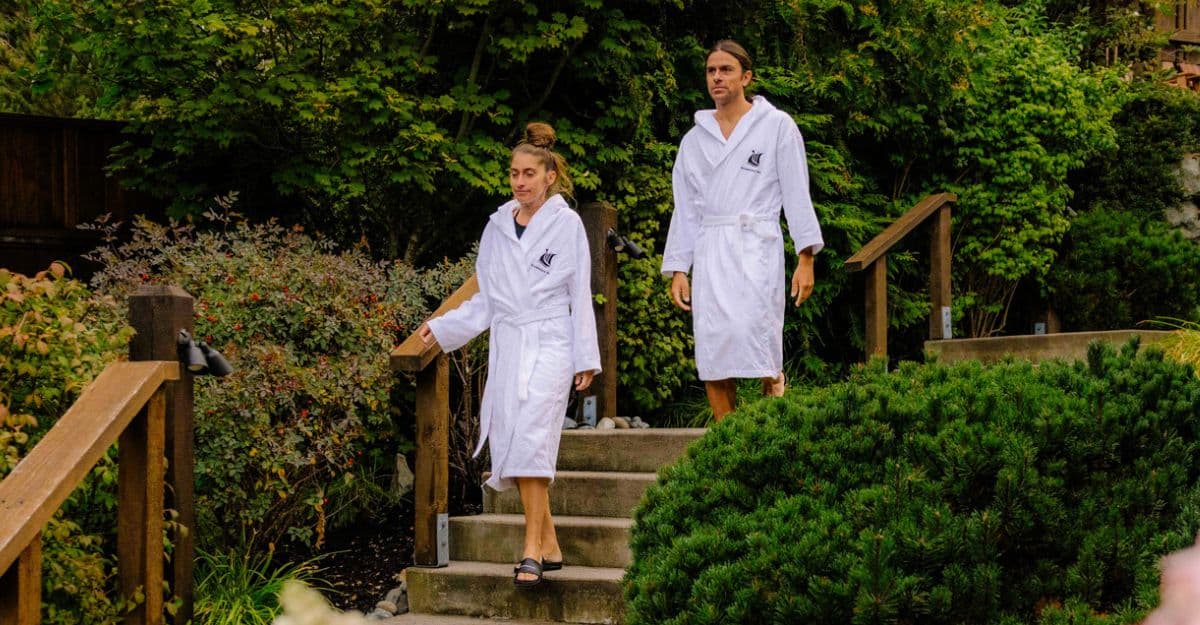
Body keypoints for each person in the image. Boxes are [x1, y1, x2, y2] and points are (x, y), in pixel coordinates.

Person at [418, 122, 600, 589]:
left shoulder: (566, 225)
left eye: (528, 174)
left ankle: (530, 550)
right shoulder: (497, 226)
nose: (520, 182)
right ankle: (552, 543)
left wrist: (586, 356)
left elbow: (579, 291)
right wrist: (441, 327)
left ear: (549, 177)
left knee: (532, 442)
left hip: (552, 339)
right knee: (516, 441)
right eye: (513, 174)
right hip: (510, 340)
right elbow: (486, 299)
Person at [662, 39, 824, 422]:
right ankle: (726, 439)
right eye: (710, 71)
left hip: (756, 245)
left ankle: (773, 387)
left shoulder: (776, 126)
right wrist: (679, 268)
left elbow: (796, 192)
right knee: (714, 346)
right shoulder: (694, 140)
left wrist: (806, 258)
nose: (716, 77)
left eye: (725, 70)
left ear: (746, 77)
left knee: (755, 332)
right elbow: (685, 209)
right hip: (711, 247)